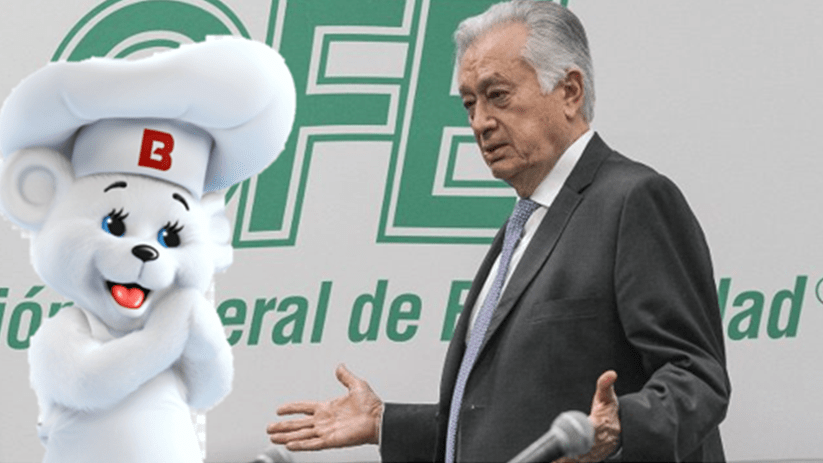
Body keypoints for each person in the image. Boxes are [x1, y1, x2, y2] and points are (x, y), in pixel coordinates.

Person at [267, 1, 731, 461]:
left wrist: (621, 427)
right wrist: (383, 423)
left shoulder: (633, 200)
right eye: (470, 103)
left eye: (498, 95)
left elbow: (697, 375)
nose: (480, 122)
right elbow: (504, 419)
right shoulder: (523, 226)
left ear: (569, 91)